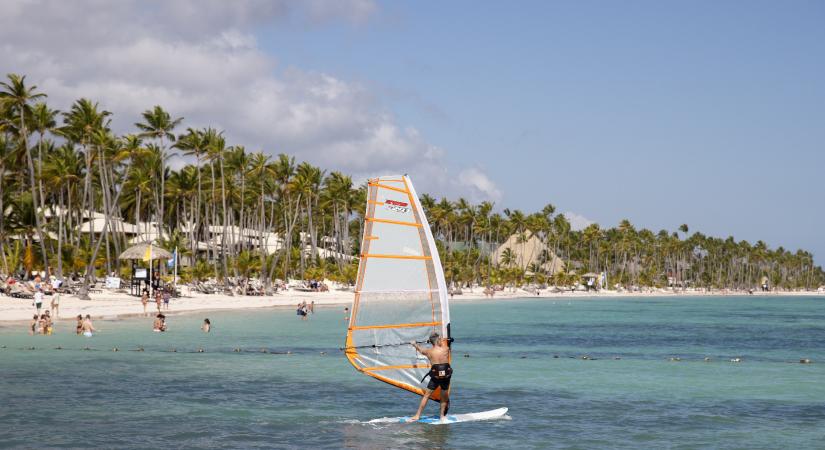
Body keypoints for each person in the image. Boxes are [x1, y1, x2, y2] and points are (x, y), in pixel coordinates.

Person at [409, 333, 453, 422]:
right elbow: (444, 342)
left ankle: (417, 415)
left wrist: (414, 344)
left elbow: (420, 350)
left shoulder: (428, 351)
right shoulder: (446, 349)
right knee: (444, 395)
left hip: (435, 377)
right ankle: (442, 416)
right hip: (446, 376)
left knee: (426, 395)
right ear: (438, 340)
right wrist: (445, 339)